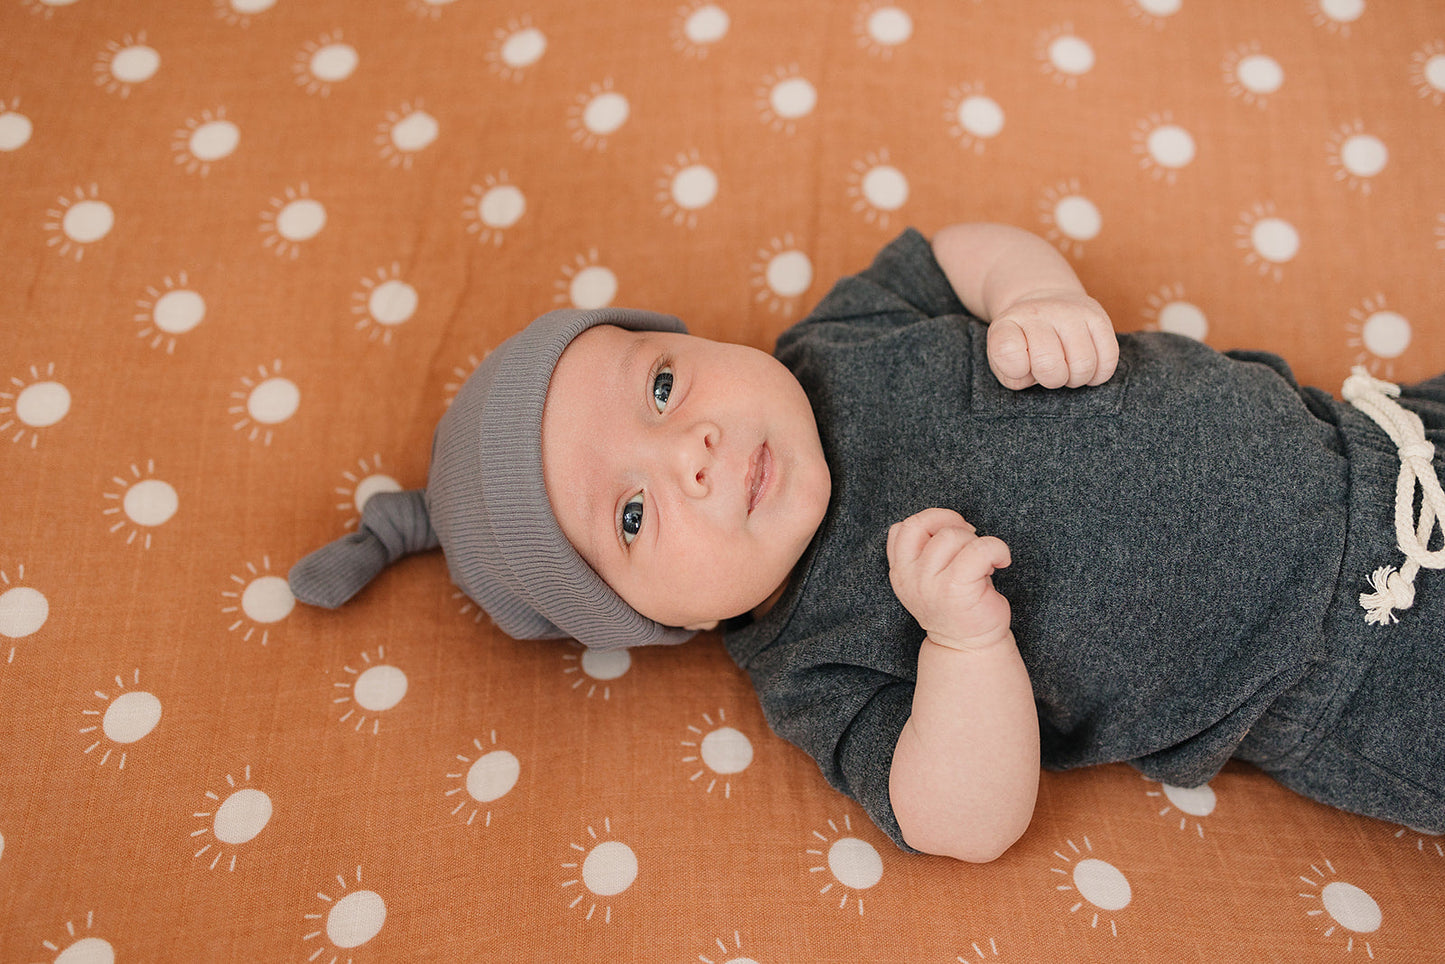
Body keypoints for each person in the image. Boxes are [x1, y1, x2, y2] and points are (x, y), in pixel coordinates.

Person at [289, 223, 1445, 862]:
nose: (687, 448)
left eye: (656, 386)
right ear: (657, 622)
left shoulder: (841, 334)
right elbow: (960, 821)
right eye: (632, 515)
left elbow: (960, 248)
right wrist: (962, 647)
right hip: (1354, 665)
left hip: (1381, 436)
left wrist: (1035, 292)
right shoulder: (811, 662)